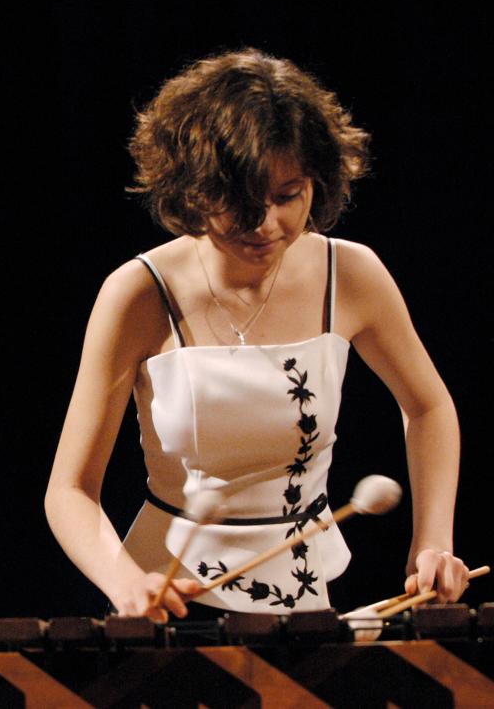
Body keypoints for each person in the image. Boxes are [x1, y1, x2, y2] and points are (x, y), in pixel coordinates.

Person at [44, 48, 468, 621]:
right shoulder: (139, 293)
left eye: (288, 196)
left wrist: (432, 542)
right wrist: (124, 582)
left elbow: (429, 406)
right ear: (193, 187)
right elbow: (69, 490)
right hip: (172, 601)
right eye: (240, 200)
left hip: (307, 597)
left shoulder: (350, 275)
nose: (266, 223)